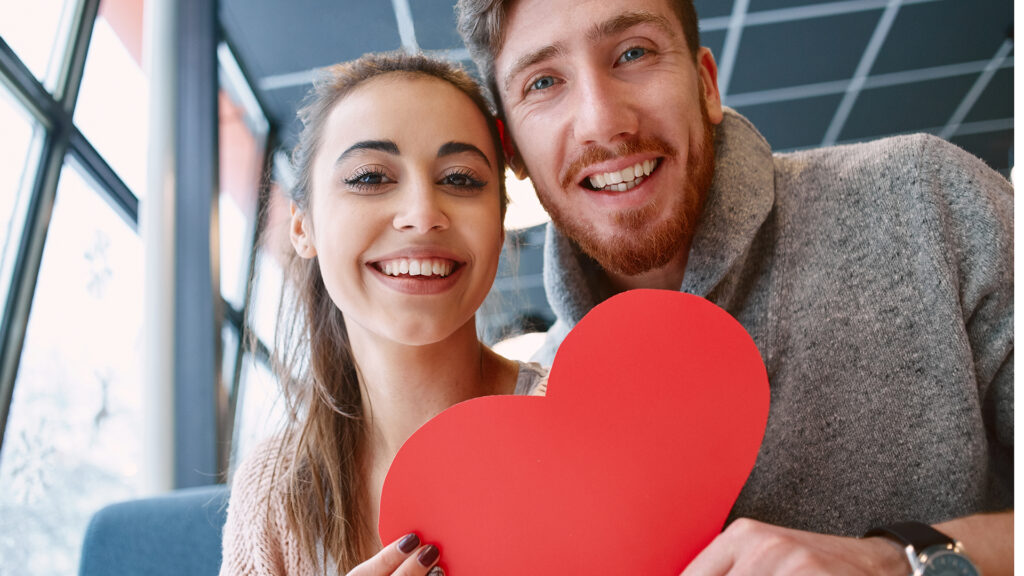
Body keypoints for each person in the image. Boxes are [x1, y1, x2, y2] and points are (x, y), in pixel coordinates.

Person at [455, 0, 1013, 574]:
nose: (603, 121)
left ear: (705, 85)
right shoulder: (536, 420)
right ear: (513, 150)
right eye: (544, 82)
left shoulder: (924, 202)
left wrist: (894, 562)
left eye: (633, 53)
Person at [218, 52, 547, 576]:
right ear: (302, 227)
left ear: (500, 225)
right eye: (370, 176)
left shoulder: (582, 427)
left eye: (461, 179)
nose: (422, 214)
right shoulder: (271, 491)